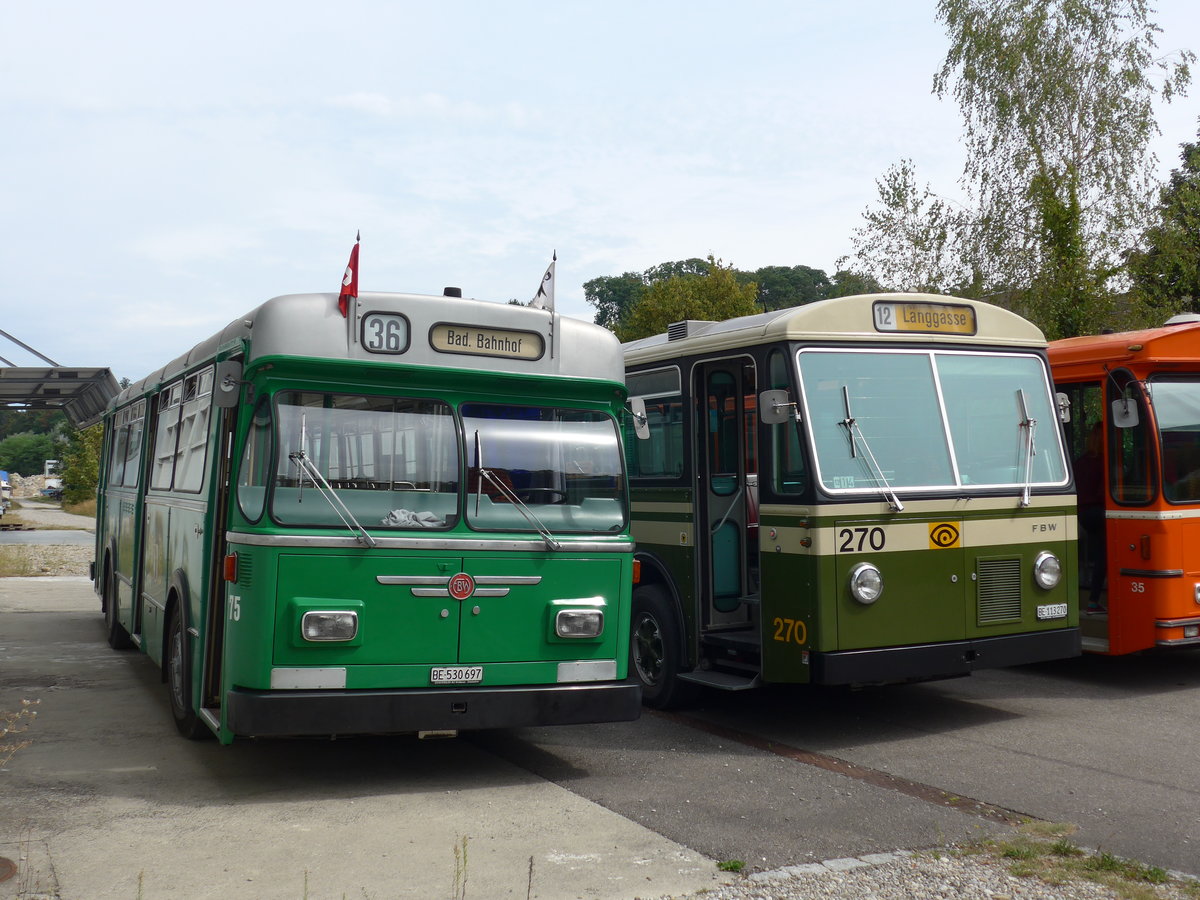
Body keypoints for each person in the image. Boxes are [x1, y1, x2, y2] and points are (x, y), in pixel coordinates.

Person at [1074, 423, 1106, 612]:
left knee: (1099, 552)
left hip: (1083, 514)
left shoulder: (1081, 461)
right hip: (1098, 512)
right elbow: (1105, 492)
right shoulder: (1104, 462)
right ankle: (1094, 599)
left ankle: (1093, 599)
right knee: (1105, 555)